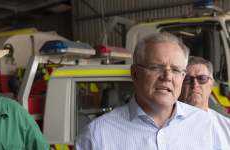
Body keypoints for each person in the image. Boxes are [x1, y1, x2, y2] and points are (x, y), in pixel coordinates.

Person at [75, 32, 228, 150]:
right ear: (135, 73)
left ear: (182, 77)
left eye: (175, 70)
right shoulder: (97, 135)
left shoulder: (207, 125)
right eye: (156, 67)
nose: (167, 77)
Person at [179, 56, 230, 142]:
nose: (195, 85)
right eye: (187, 79)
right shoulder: (163, 124)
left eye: (202, 79)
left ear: (212, 84)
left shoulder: (226, 127)